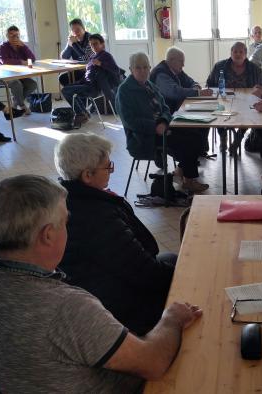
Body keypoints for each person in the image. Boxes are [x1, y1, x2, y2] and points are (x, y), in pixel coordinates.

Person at [0, 174, 202, 392]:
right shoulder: (66, 308)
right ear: (48, 235)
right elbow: (153, 363)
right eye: (65, 222)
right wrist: (172, 317)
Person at [54, 133, 177, 335]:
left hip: (99, 288)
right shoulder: (96, 217)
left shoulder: (68, 199)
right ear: (87, 175)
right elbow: (146, 273)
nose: (111, 170)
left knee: (171, 259)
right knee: (186, 278)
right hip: (115, 310)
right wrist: (186, 274)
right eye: (108, 166)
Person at [118, 52, 209, 193]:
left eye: (145, 67)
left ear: (149, 68)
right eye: (138, 68)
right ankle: (188, 180)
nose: (142, 71)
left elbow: (165, 108)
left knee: (196, 134)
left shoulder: (149, 85)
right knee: (188, 141)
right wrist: (156, 127)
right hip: (143, 137)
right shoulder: (124, 91)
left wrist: (164, 121)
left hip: (162, 127)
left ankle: (181, 172)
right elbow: (131, 122)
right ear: (131, 69)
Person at [62, 33, 121, 126]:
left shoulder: (106, 56)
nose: (94, 46)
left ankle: (82, 113)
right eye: (91, 44)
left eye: (96, 43)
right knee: (67, 88)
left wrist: (101, 64)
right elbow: (88, 74)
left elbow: (116, 70)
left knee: (66, 91)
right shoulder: (93, 56)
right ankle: (83, 113)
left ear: (102, 44)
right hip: (87, 84)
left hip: (94, 88)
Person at [0, 25, 37, 114]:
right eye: (12, 35)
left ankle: (16, 101)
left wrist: (24, 47)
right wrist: (21, 62)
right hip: (4, 75)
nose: (15, 38)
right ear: (7, 36)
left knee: (32, 84)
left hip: (19, 74)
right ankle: (22, 105)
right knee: (16, 84)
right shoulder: (2, 46)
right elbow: (4, 61)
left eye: (17, 35)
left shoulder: (21, 46)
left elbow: (32, 59)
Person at [59, 18, 94, 86]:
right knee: (62, 78)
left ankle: (79, 94)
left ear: (83, 29)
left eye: (78, 29)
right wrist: (69, 45)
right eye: (73, 30)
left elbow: (86, 59)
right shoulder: (73, 40)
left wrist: (74, 45)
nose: (76, 32)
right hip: (78, 69)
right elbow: (64, 57)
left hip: (90, 69)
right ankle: (75, 95)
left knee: (77, 80)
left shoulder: (90, 39)